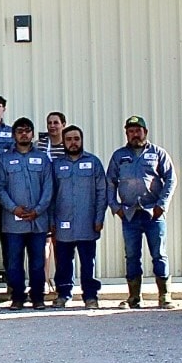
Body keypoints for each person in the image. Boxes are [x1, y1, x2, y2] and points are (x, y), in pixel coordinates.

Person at [109, 115, 177, 309]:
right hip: (129, 215)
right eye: (130, 131)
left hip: (152, 214)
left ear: (145, 132)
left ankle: (164, 295)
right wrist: (116, 208)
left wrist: (161, 205)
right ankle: (134, 297)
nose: (134, 134)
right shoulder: (118, 156)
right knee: (131, 256)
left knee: (159, 254)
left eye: (138, 130)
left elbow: (171, 180)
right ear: (126, 134)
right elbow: (109, 183)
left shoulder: (158, 153)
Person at [0, 117, 53, 310]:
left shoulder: (43, 159)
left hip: (38, 220)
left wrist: (38, 209)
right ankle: (17, 297)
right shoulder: (4, 159)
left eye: (27, 130)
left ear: (33, 134)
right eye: (19, 131)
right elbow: (0, 188)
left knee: (37, 262)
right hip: (13, 221)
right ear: (14, 135)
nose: (24, 134)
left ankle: (38, 297)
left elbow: (48, 187)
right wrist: (13, 208)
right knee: (14, 263)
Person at [51, 125, 111, 308]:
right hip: (63, 222)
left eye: (76, 138)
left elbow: (102, 192)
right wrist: (51, 221)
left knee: (88, 262)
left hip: (87, 222)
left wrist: (99, 218)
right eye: (69, 139)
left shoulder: (94, 163)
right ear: (63, 142)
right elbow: (50, 194)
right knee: (63, 262)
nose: (73, 142)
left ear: (82, 140)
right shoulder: (56, 165)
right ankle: (63, 294)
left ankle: (91, 296)